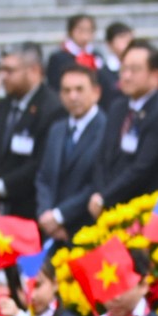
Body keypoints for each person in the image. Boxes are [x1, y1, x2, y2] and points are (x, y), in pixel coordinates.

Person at [88, 44, 158, 221]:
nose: (126, 76)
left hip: (144, 211)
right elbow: (102, 157)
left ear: (155, 75)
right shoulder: (118, 107)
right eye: (124, 69)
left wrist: (105, 197)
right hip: (109, 205)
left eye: (135, 70)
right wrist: (100, 193)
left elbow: (142, 168)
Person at [0, 45, 61, 222]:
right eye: (1, 70)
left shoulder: (52, 108)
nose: (2, 77)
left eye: (10, 71)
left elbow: (40, 163)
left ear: (34, 71)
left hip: (28, 209)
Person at [35, 68, 108, 242]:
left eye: (79, 89)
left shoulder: (107, 130)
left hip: (86, 229)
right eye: (66, 91)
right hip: (51, 230)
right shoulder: (56, 129)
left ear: (96, 92)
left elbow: (97, 183)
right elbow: (44, 177)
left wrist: (60, 216)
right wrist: (47, 215)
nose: (73, 96)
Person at [48, 14, 101, 93]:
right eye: (81, 30)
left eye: (89, 30)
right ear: (71, 31)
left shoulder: (96, 55)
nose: (85, 35)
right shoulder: (58, 58)